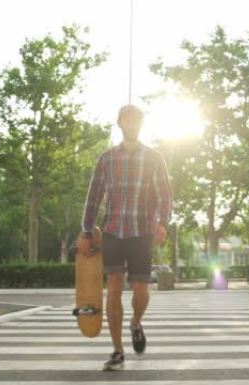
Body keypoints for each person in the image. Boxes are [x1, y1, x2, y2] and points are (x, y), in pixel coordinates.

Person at [77, 104, 172, 371]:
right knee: (114, 287)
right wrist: (86, 231)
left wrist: (163, 222)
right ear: (120, 123)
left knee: (141, 290)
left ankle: (135, 322)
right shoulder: (106, 159)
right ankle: (118, 351)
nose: (132, 125)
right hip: (113, 231)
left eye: (137, 121)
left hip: (142, 231)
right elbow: (93, 197)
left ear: (140, 124)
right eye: (128, 120)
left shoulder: (154, 158)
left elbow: (165, 194)